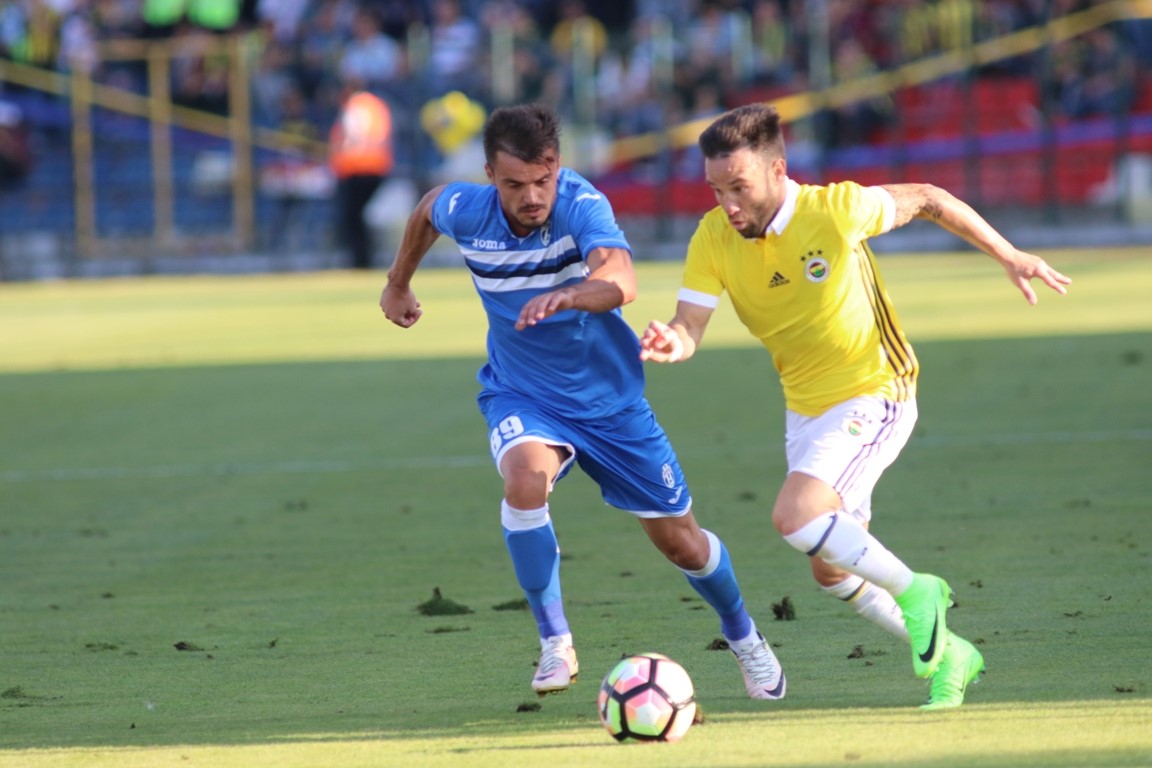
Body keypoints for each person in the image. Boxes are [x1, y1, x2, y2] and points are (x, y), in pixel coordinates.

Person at [639, 103, 1071, 709]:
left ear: (777, 170)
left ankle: (920, 591)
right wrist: (673, 341)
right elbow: (690, 323)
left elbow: (928, 197)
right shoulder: (713, 236)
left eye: (738, 187)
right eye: (716, 189)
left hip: (877, 389)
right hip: (806, 409)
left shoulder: (834, 209)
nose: (727, 203)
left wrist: (1009, 254)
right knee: (832, 569)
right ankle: (953, 655)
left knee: (796, 517)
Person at [380, 104, 785, 700]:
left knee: (683, 542)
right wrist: (398, 282)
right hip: (522, 392)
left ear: (557, 165)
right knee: (524, 481)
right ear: (490, 175)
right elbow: (426, 209)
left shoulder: (580, 203)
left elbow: (621, 280)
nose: (532, 196)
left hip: (610, 402)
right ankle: (555, 643)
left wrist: (572, 295)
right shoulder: (467, 208)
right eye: (514, 184)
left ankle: (745, 637)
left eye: (542, 180)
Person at [329, 83, 394, 269]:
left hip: (356, 168)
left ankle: (361, 259)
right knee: (358, 215)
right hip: (377, 167)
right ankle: (364, 257)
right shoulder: (376, 105)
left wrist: (340, 150)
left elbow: (352, 135)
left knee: (352, 216)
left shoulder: (355, 107)